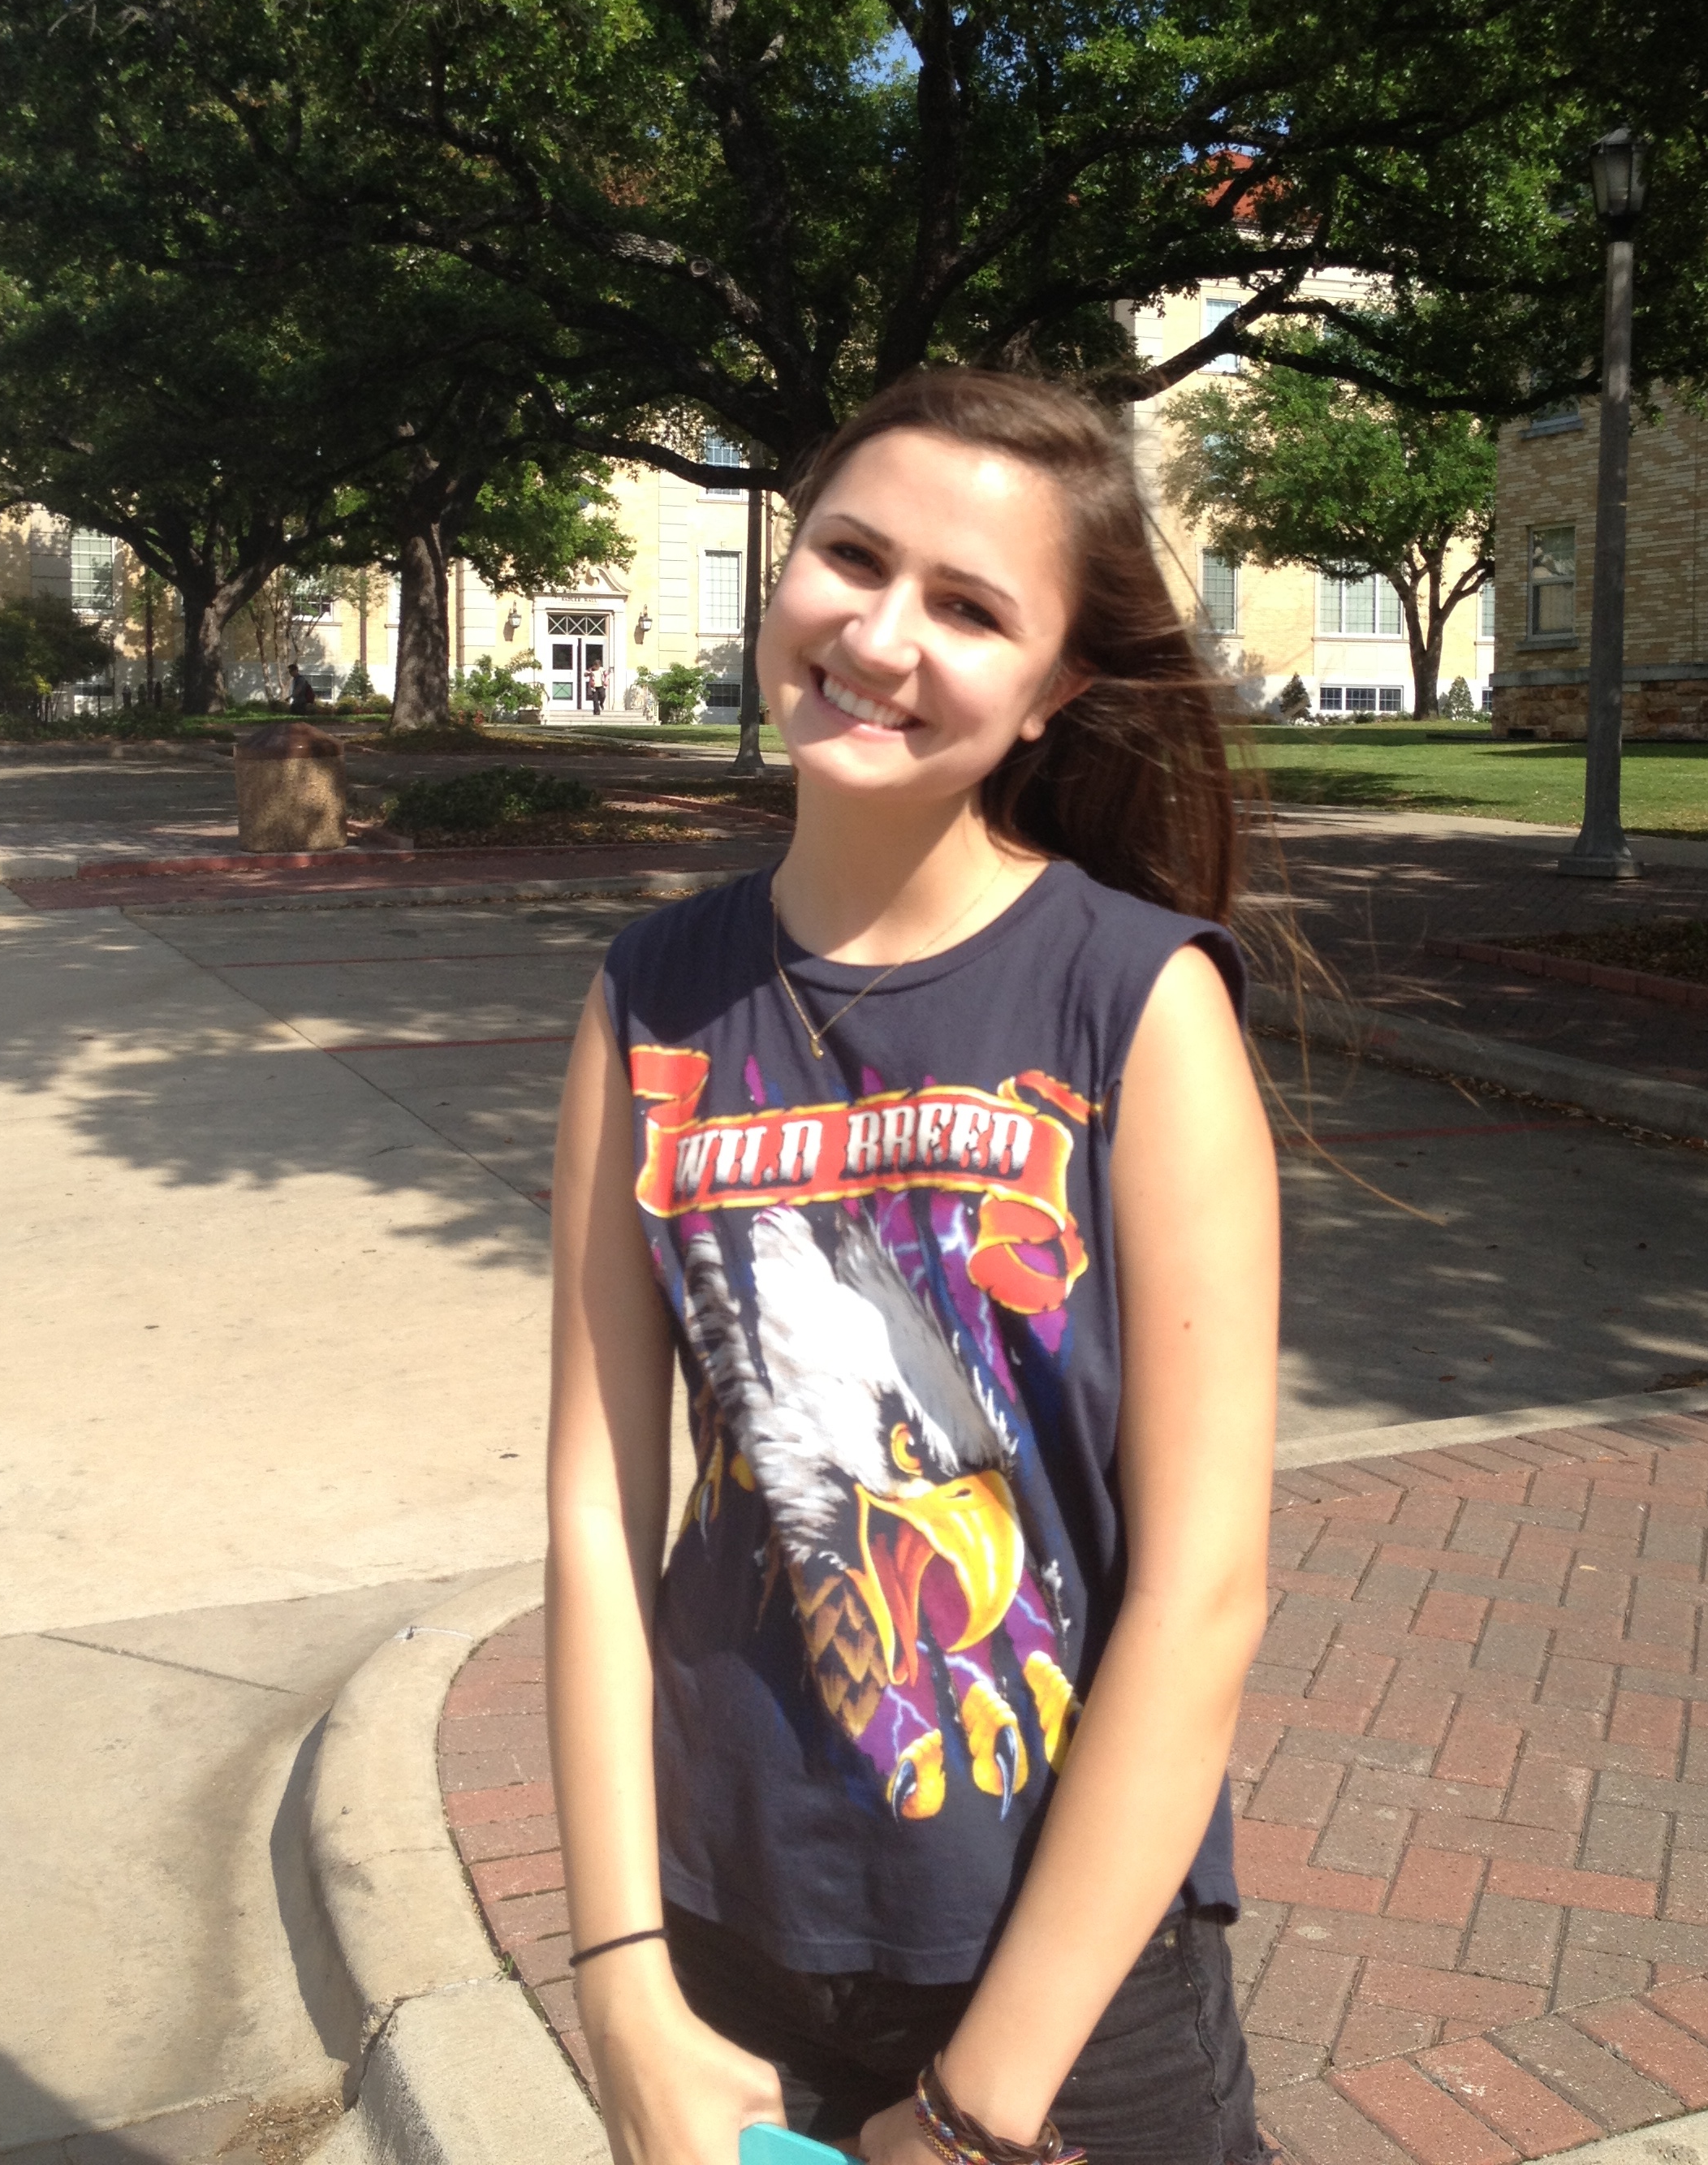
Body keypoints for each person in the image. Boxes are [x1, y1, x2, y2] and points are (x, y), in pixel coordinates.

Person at [548, 369, 1280, 2165]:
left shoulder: (1140, 1001)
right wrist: (622, 1986)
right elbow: (595, 1512)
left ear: (1057, 689)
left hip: (1065, 1986)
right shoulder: (649, 997)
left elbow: (1205, 1589)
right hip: (724, 1943)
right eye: (852, 558)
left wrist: (976, 2110)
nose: (879, 637)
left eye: (969, 608)